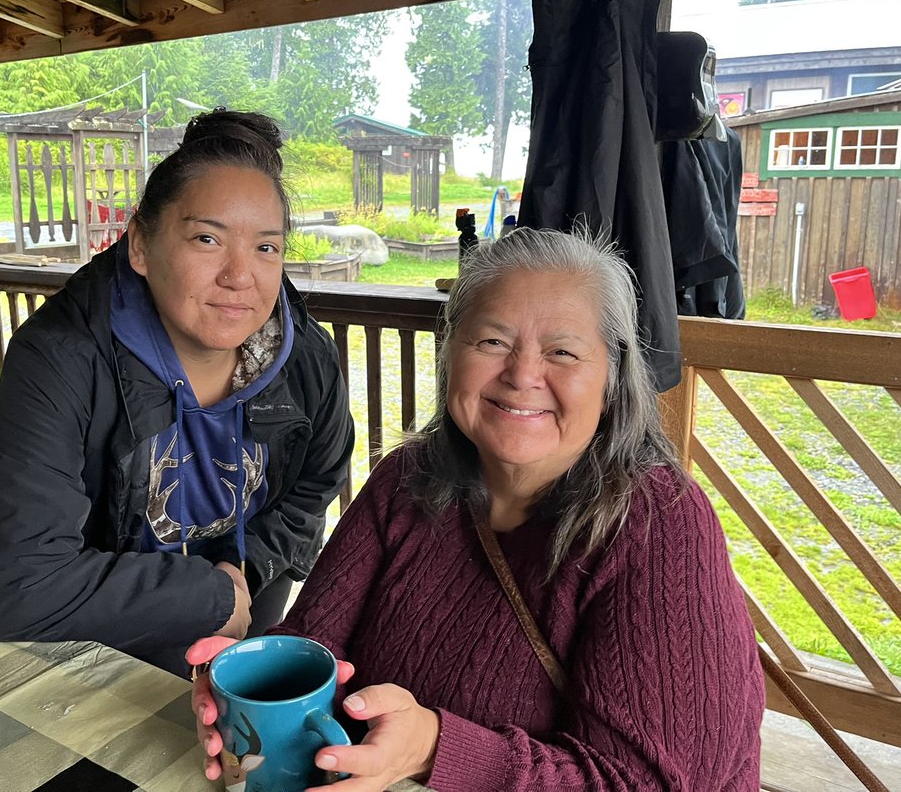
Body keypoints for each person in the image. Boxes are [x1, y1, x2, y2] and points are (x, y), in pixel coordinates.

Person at [189, 228, 764, 791]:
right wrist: (255, 692)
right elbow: (317, 647)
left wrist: (434, 749)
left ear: (613, 377)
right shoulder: (406, 481)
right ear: (451, 353)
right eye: (492, 342)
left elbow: (652, 781)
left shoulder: (658, 525)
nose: (521, 375)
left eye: (562, 351)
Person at [0, 110, 354, 676]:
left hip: (249, 603)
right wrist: (211, 595)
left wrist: (243, 579)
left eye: (266, 248)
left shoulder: (304, 361)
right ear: (141, 245)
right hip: (101, 639)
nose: (240, 275)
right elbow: (23, 586)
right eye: (207, 238)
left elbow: (314, 486)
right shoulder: (62, 360)